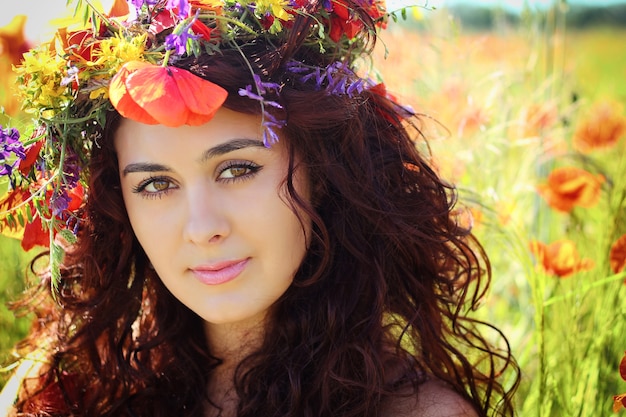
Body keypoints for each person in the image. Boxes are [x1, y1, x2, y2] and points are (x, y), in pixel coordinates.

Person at [0, 0, 519, 415]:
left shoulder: (415, 413)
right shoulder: (70, 389)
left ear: (324, 173)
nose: (203, 228)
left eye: (237, 170)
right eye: (156, 184)